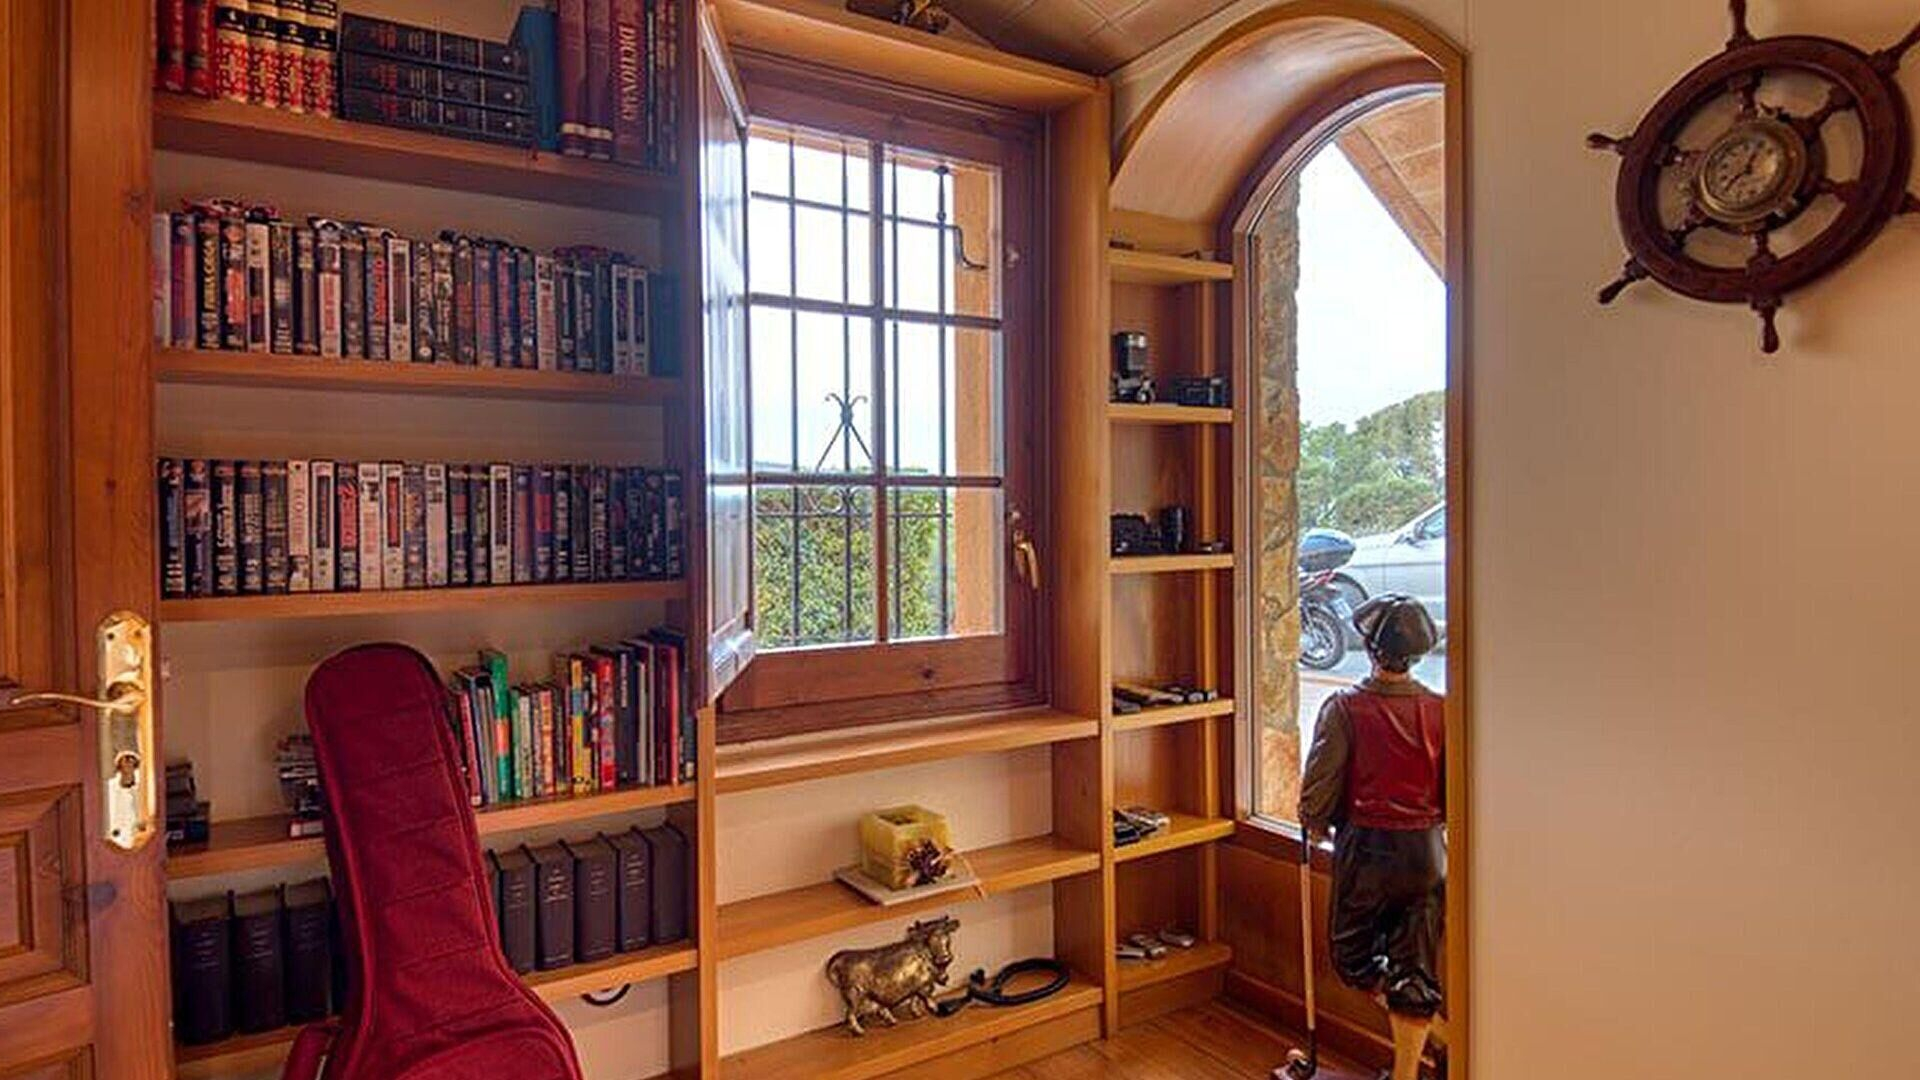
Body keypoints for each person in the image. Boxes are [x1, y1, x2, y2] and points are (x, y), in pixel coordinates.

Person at [1299, 594, 1445, 1080]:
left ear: (1369, 648)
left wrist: (1313, 821)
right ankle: (1413, 1061)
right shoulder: (1442, 710)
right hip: (1426, 853)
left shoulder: (1345, 708)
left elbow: (1320, 784)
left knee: (1353, 958)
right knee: (1415, 968)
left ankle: (1437, 1033)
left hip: (1367, 852)